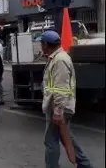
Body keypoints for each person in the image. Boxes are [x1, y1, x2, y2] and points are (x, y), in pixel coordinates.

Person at [39, 30, 93, 168]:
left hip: (58, 108)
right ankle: (85, 164)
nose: (40, 46)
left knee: (51, 142)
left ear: (45, 44)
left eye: (41, 43)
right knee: (67, 138)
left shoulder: (60, 60)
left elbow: (60, 88)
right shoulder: (56, 57)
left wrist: (58, 111)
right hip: (59, 107)